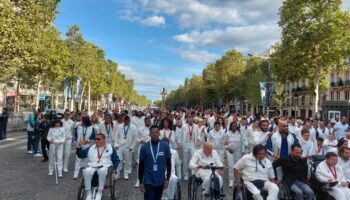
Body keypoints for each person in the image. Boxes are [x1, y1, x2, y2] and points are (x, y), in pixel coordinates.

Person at [76, 132, 120, 200]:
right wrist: (79, 146)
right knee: (86, 171)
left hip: (104, 167)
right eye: (95, 139)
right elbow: (81, 155)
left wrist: (114, 171)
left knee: (102, 171)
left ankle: (100, 192)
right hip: (92, 166)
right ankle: (89, 193)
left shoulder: (110, 147)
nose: (96, 140)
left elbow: (116, 160)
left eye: (98, 139)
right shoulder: (91, 147)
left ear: (103, 140)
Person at [138, 125, 171, 200]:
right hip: (148, 179)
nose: (154, 134)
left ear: (159, 134)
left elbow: (169, 163)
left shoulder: (165, 146)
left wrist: (167, 178)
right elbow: (141, 165)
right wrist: (140, 181)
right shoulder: (144, 147)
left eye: (156, 132)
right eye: (152, 132)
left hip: (160, 179)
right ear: (149, 134)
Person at [114, 115, 137, 180]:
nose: (125, 122)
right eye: (124, 121)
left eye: (127, 121)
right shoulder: (119, 126)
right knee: (118, 160)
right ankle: (117, 174)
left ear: (129, 120)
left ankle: (126, 173)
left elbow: (135, 138)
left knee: (128, 161)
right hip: (120, 146)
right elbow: (116, 135)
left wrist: (132, 147)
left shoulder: (133, 127)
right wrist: (116, 144)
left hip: (128, 147)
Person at [224, 122, 242, 187]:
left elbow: (242, 143)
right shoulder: (227, 133)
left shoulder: (239, 133)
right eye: (233, 126)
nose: (234, 127)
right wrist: (228, 148)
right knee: (231, 166)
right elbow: (224, 143)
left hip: (238, 152)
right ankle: (231, 180)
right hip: (230, 152)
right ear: (230, 127)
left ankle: (236, 180)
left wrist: (242, 152)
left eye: (235, 126)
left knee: (236, 166)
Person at [134, 116, 152, 188]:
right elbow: (136, 137)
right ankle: (139, 180)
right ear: (144, 121)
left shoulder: (153, 129)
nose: (148, 122)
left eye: (149, 121)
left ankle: (149, 179)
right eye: (147, 121)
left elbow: (155, 138)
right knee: (140, 164)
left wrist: (147, 141)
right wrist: (139, 141)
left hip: (151, 147)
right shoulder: (140, 128)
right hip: (142, 147)